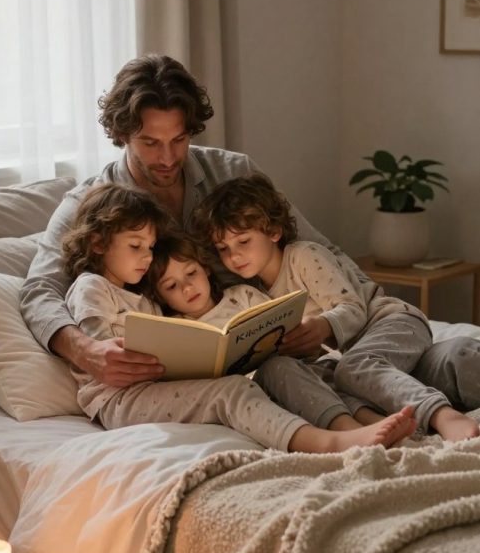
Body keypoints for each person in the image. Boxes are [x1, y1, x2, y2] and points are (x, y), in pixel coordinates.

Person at [20, 52, 480, 409]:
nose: (167, 157)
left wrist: (344, 320)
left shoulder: (232, 171)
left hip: (334, 328)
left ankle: (435, 365)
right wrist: (85, 351)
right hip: (278, 363)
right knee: (399, 374)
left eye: (179, 140)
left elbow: (316, 249)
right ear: (122, 135)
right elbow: (39, 290)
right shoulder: (89, 205)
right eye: (150, 143)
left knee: (373, 368)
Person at [62, 183, 416, 454]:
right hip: (119, 399)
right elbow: (100, 348)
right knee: (232, 391)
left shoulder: (143, 297)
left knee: (307, 372)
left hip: (152, 387)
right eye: (135, 247)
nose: (145, 257)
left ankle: (361, 421)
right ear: (97, 244)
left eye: (150, 247)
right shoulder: (91, 286)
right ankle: (328, 444)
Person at [195, 174, 479, 442]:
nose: (234, 255)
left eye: (243, 241)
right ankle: (380, 423)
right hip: (356, 363)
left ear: (273, 231)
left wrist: (322, 327)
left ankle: (443, 416)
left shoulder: (304, 256)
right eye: (223, 248)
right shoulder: (254, 295)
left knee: (355, 367)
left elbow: (353, 308)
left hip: (389, 323)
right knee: (326, 380)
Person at [142, 231, 383, 435]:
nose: (186, 288)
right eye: (172, 286)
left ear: (205, 268)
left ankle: (371, 421)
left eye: (191, 273)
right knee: (285, 373)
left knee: (321, 373)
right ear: (159, 296)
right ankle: (348, 429)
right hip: (245, 395)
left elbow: (277, 326)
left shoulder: (242, 296)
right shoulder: (174, 329)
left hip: (285, 371)